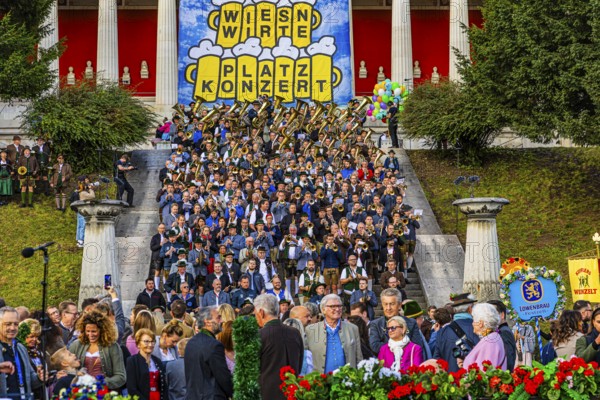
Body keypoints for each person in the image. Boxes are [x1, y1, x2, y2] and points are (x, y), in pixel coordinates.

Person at [254, 294, 304, 400]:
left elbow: (252, 371)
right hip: (292, 393)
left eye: (255, 314)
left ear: (261, 313)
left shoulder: (258, 336)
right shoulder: (295, 333)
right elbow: (299, 365)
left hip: (267, 394)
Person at [68, 310, 126, 390]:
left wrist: (101, 383)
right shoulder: (76, 345)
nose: (90, 335)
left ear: (102, 330)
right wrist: (77, 375)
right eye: (88, 331)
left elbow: (121, 376)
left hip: (104, 393)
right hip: (80, 391)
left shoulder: (112, 346)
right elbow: (67, 369)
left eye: (94, 331)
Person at [305, 294, 362, 373]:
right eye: (333, 306)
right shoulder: (310, 330)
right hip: (320, 381)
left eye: (339, 306)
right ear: (323, 309)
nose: (337, 309)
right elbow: (305, 359)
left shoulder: (353, 328)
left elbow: (359, 358)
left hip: (347, 381)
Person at [185, 306, 233, 400]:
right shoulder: (214, 345)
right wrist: (235, 393)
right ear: (207, 322)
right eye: (218, 318)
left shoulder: (191, 342)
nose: (222, 321)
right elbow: (223, 377)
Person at [369, 288, 429, 357]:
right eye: (385, 304)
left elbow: (417, 346)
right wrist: (400, 345)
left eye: (392, 304)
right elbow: (375, 346)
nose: (388, 308)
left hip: (407, 364)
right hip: (384, 364)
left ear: (400, 305)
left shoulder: (411, 323)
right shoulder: (376, 324)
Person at [0, 307, 44, 398]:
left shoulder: (21, 348)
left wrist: (40, 377)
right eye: (8, 324)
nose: (12, 328)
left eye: (16, 324)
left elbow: (30, 379)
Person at [432, 293, 479, 372]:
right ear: (470, 309)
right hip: (473, 379)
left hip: (450, 380)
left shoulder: (442, 331)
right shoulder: (478, 328)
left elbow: (437, 359)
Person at [460, 303, 507, 370]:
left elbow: (483, 374)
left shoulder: (490, 342)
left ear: (480, 323)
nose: (472, 323)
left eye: (474, 320)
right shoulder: (493, 337)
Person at [126, 328, 167, 400]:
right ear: (138, 344)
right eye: (146, 341)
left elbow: (164, 387)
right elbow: (132, 389)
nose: (150, 345)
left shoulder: (158, 361)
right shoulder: (132, 361)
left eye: (152, 341)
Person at [488, 300, 517, 371]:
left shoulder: (504, 332)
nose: (489, 317)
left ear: (502, 315)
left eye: (493, 314)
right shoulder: (500, 330)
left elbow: (508, 359)